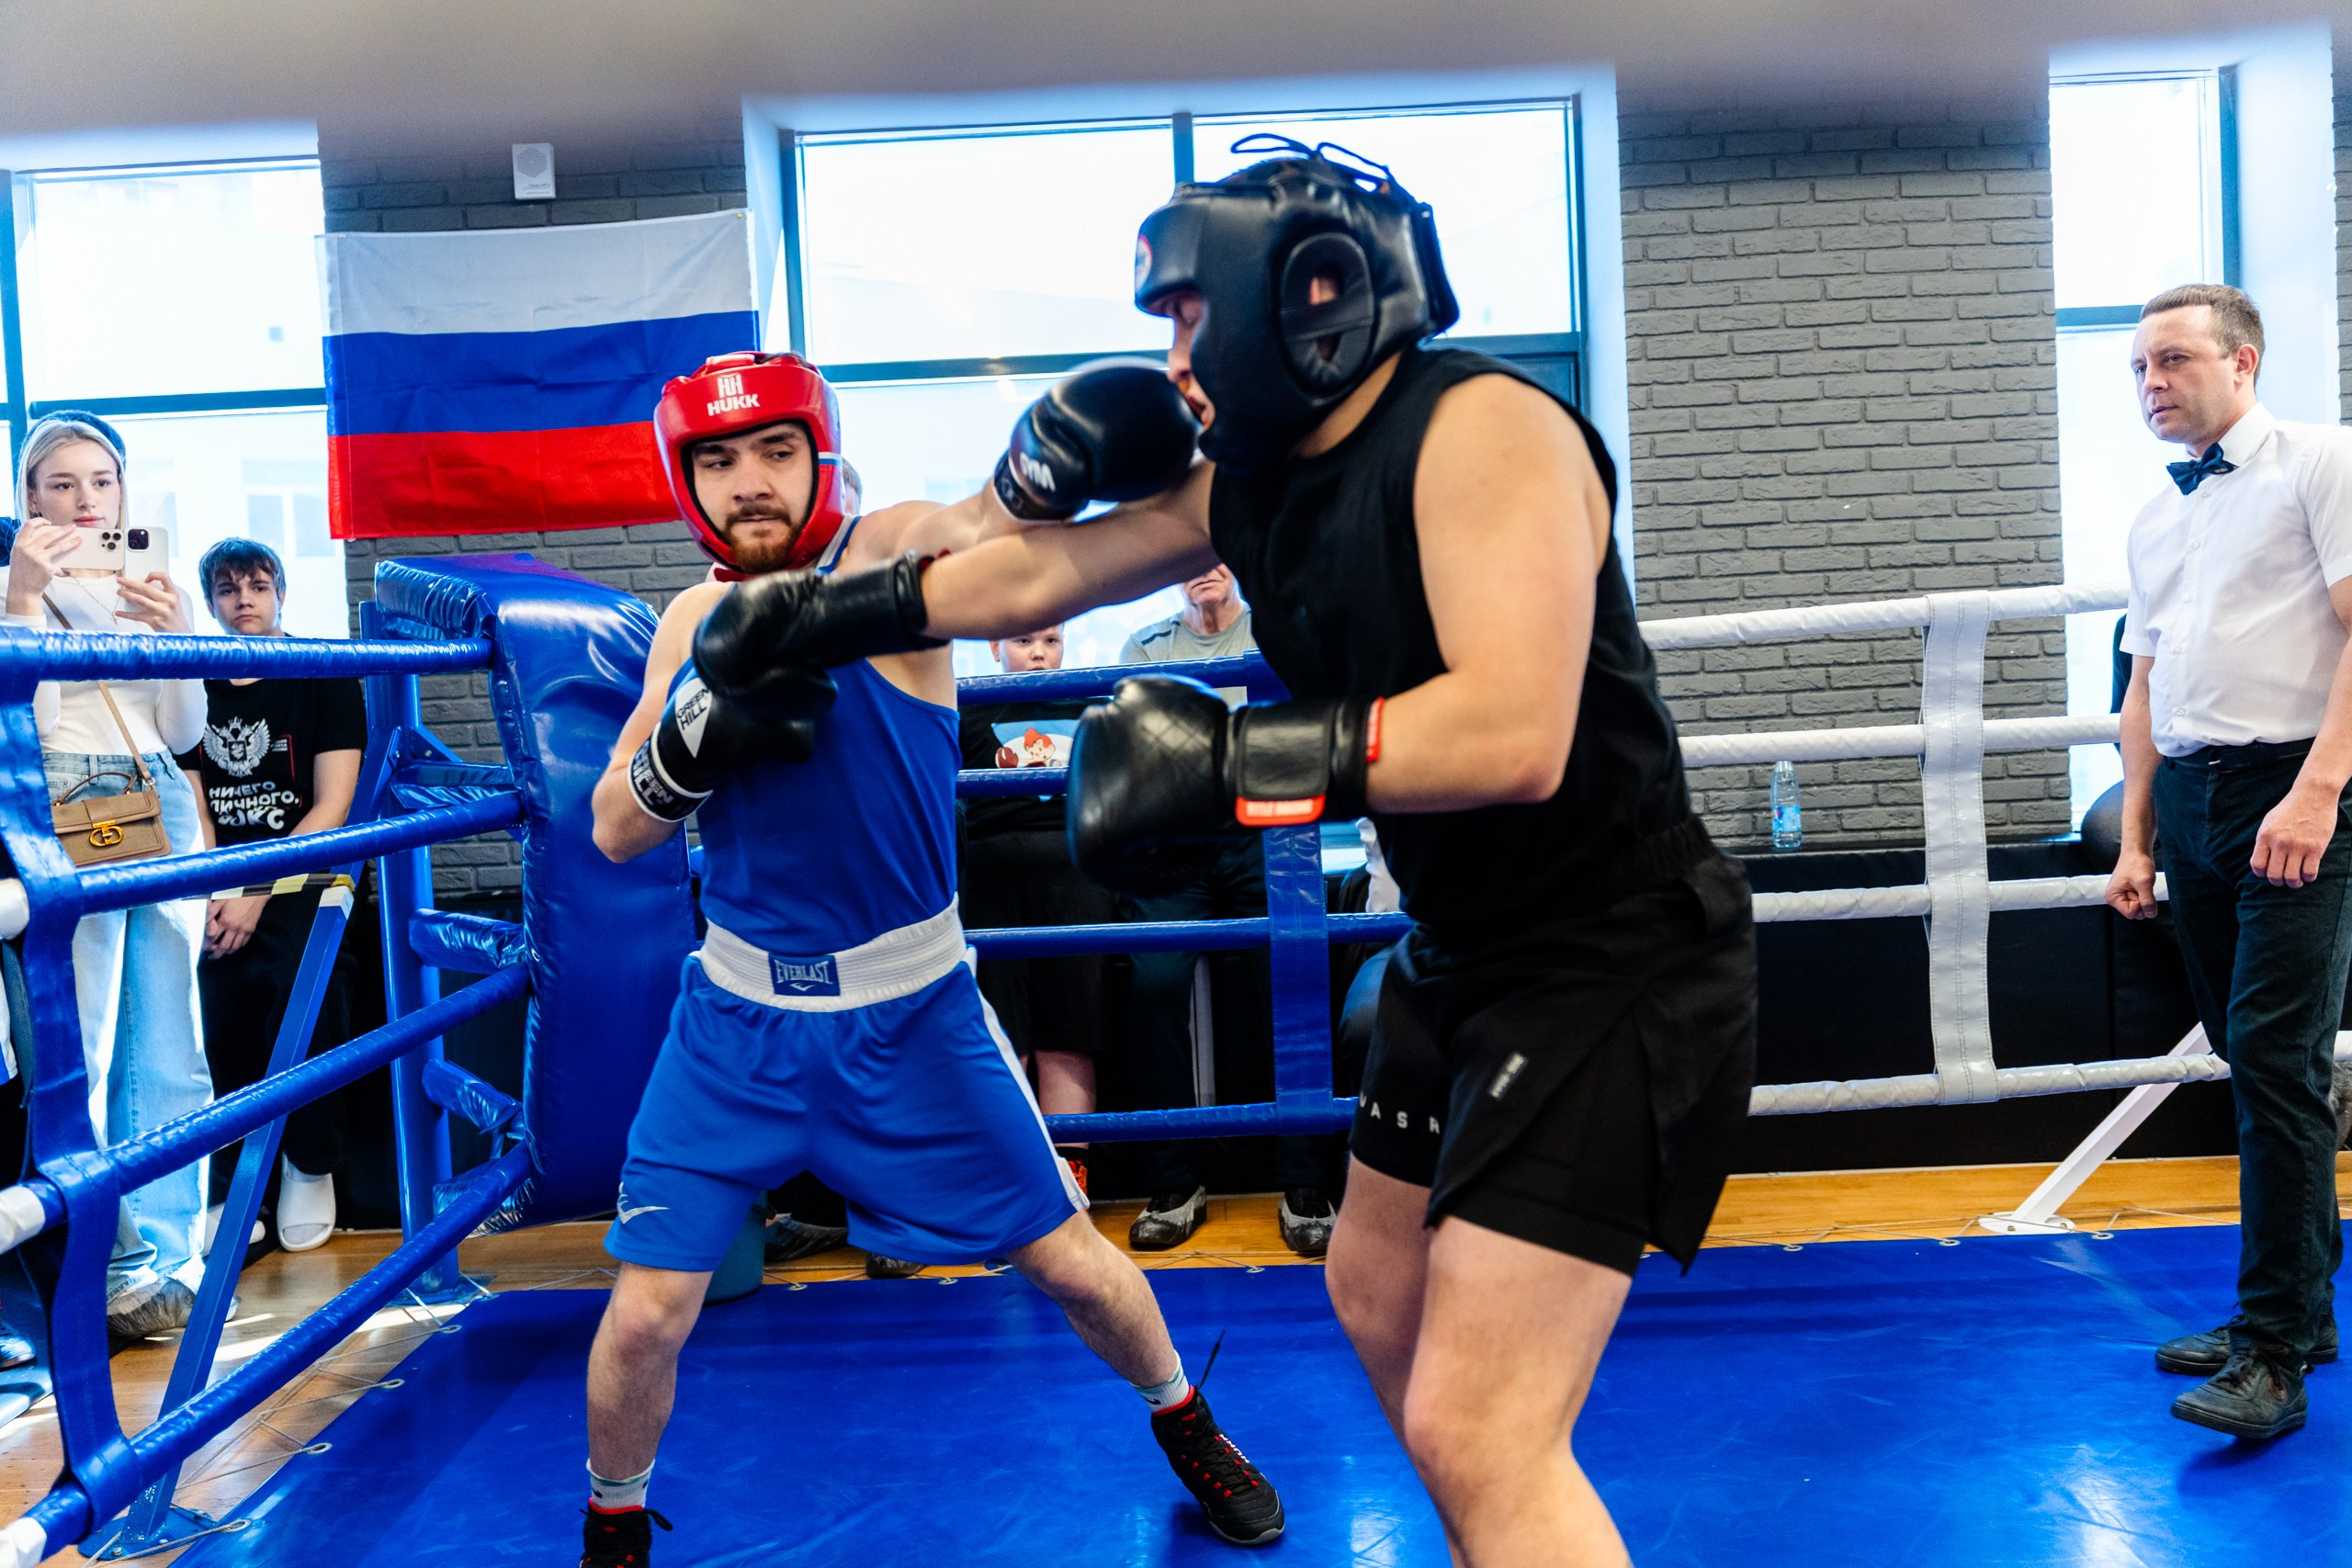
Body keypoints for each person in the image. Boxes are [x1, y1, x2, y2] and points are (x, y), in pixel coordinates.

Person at [698, 139, 1758, 1568]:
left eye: (1191, 315)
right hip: (1463, 947)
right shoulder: (1248, 480)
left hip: (1612, 952)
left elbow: (1516, 735)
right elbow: (1035, 571)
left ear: (1309, 290)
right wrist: (823, 613)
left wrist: (1234, 764)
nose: (1175, 353)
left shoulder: (1486, 431)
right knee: (1378, 1292)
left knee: (1484, 1422)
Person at [574, 352, 1283, 1566]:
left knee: (1069, 1262)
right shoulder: (690, 624)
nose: (750, 482)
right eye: (718, 459)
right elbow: (612, 825)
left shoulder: (893, 550)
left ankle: (1185, 1414)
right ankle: (616, 1517)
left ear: (821, 457)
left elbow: (999, 525)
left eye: (774, 452)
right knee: (644, 1313)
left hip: (912, 1013)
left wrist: (1056, 467)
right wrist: (689, 741)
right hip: (736, 1019)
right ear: (686, 479)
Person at [2104, 283, 2352, 1441]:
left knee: (2271, 1058)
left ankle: (2272, 1355)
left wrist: (2318, 788)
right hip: (2195, 803)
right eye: (2140, 369)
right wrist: (2140, 833)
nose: (2153, 384)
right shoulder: (2155, 517)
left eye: (2174, 362)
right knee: (2251, 1060)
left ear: (2241, 361)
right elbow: (2143, 688)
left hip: (2291, 788)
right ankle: (2297, 1312)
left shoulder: (2320, 460)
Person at [0, 412, 215, 1344]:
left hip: (158, 796)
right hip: (76, 790)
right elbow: (24, 723)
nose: (86, 500)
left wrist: (181, 634)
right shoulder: (17, 584)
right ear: (28, 499)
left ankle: (171, 1264)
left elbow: (180, 730)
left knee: (170, 1045)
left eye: (101, 482)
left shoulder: (145, 577)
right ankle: (103, 1265)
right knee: (83, 1042)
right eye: (62, 484)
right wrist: (20, 603)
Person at [1111, 581, 1340, 1257]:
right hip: (1178, 839)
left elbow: (1308, 733)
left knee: (1294, 973)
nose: (1204, 567)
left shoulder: (1276, 630)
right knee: (1152, 983)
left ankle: (1305, 1181)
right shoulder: (1143, 647)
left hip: (1262, 833)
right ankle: (1175, 1182)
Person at [179, 537, 364, 1254]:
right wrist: (219, 886)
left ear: (281, 591)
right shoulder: (192, 681)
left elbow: (332, 808)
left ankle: (308, 1160)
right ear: (212, 601)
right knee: (208, 994)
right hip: (225, 875)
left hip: (306, 870)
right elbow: (196, 809)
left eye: (258, 584)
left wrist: (256, 892)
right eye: (228, 589)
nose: (245, 599)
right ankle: (229, 1180)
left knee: (300, 984)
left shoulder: (321, 672)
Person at [958, 624, 1114, 1190]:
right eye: (1024, 642)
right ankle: (1014, 1182)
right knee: (1003, 1034)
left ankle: (1070, 1182)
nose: (1039, 655)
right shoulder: (967, 706)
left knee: (1069, 1029)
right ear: (996, 645)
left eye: (1050, 641)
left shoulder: (1094, 704)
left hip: (1075, 875)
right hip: (993, 880)